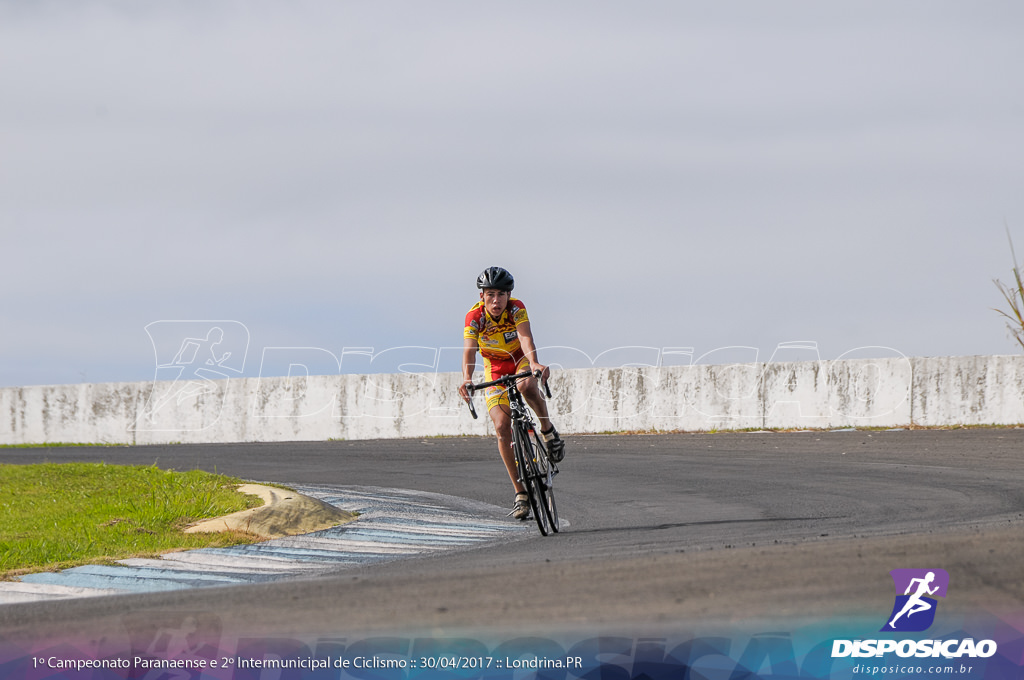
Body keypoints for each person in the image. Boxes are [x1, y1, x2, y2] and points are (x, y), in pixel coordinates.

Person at [459, 266, 565, 520]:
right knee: (501, 427)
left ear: (509, 296)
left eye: (502, 295)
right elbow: (469, 350)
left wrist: (535, 364)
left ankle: (548, 432)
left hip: (519, 360)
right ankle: (521, 494)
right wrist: (466, 379)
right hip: (494, 368)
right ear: (482, 296)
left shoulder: (516, 307)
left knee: (527, 385)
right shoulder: (474, 317)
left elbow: (526, 338)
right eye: (491, 294)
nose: (496, 301)